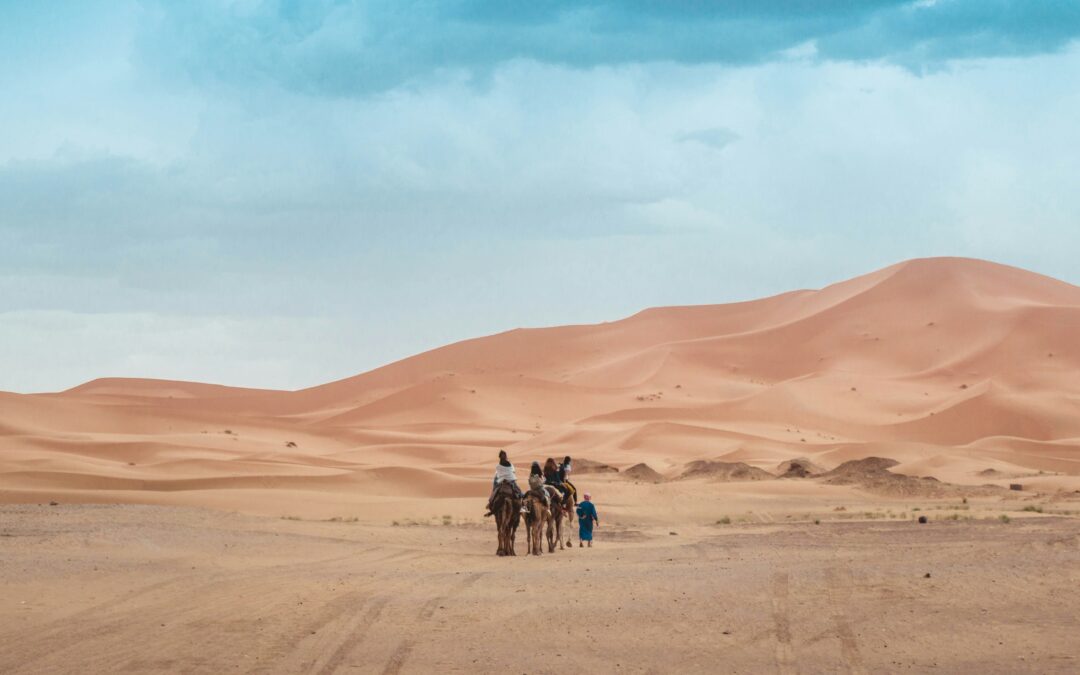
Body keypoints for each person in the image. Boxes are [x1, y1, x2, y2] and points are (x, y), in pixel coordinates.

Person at [485, 450, 523, 516]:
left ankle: (490, 503)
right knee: (519, 492)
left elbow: (498, 474)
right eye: (504, 455)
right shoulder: (510, 464)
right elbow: (513, 472)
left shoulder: (499, 466)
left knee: (495, 490)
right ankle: (523, 507)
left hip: (502, 481)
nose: (504, 457)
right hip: (510, 481)